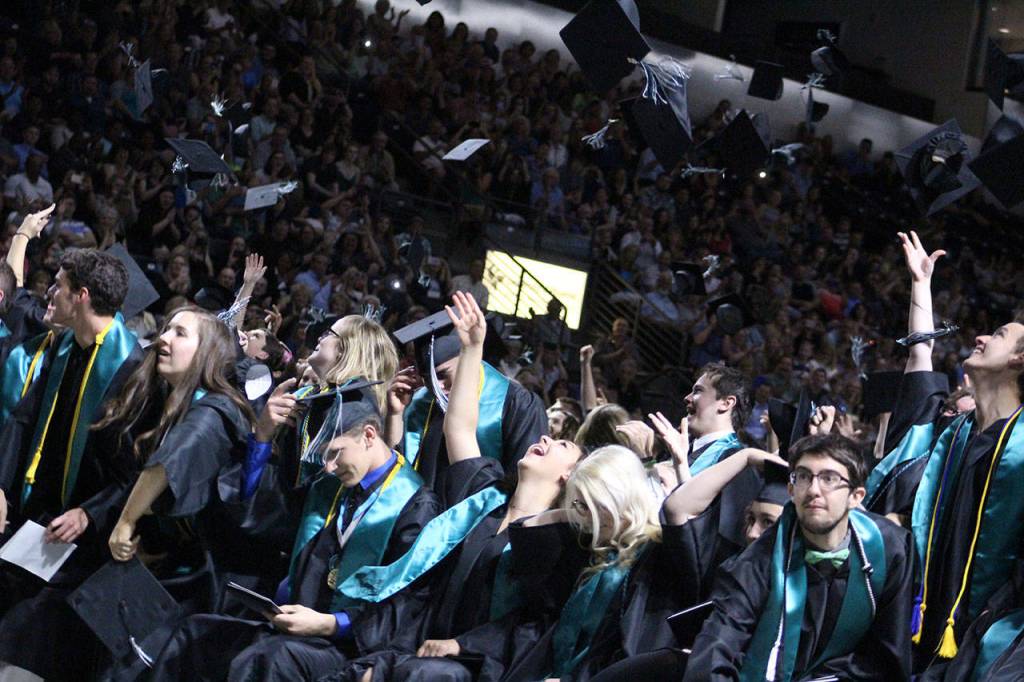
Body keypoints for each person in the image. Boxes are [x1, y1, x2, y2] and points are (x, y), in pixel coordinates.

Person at [325, 292, 586, 681]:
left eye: (562, 443)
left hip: (472, 666)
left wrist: (465, 646)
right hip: (422, 647)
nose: (546, 438)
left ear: (571, 476)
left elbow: (530, 625)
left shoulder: (553, 541)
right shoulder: (485, 496)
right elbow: (459, 427)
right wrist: (472, 347)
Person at [0, 306, 255, 680]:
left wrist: (125, 521)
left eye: (180, 334)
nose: (164, 338)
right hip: (149, 565)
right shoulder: (165, 398)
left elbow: (163, 467)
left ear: (207, 353)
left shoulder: (213, 411)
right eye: (166, 329)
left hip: (192, 582)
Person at [144, 381, 441, 681]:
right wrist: (262, 437)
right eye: (323, 456)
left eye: (336, 453)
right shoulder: (330, 490)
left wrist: (329, 623)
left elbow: (406, 606)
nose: (328, 467)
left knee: (268, 658)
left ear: (368, 435)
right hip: (298, 631)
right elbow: (267, 517)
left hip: (354, 647)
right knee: (192, 634)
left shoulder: (414, 505)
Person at [866, 232, 1024, 672]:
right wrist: (921, 285)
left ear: (1019, 361)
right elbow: (919, 362)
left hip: (986, 644)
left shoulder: (1021, 451)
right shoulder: (946, 434)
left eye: (998, 334)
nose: (979, 336)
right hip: (911, 624)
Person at [434, 445, 697, 680]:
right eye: (581, 506)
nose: (585, 517)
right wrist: (465, 644)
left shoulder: (654, 558)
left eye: (593, 505)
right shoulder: (598, 555)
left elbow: (633, 648)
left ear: (619, 499)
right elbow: (539, 622)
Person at [684, 433, 914, 681]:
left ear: (856, 497)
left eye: (829, 478)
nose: (814, 490)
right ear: (791, 489)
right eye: (803, 476)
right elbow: (720, 640)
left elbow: (886, 658)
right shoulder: (759, 559)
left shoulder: (890, 550)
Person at [0, 249, 143, 610]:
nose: (49, 292)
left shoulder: (131, 369)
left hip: (82, 528)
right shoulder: (64, 345)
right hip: (39, 508)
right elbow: (23, 417)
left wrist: (89, 513)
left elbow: (134, 471)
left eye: (58, 286)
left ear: (81, 297)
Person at [389, 310, 547, 499]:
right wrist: (394, 415)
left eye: (442, 374)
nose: (437, 386)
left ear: (468, 359)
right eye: (428, 378)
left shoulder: (517, 404)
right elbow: (398, 473)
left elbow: (525, 484)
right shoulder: (422, 402)